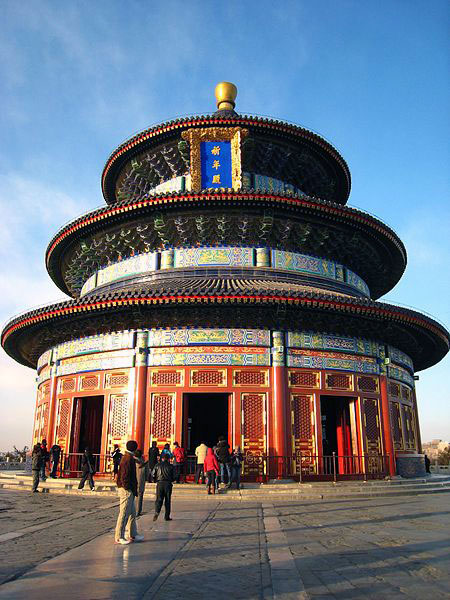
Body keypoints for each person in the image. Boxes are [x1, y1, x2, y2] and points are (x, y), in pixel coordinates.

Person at [115, 440, 144, 545]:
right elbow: (124, 476)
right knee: (124, 513)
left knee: (132, 513)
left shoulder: (128, 457)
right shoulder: (128, 459)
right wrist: (127, 488)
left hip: (129, 488)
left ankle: (133, 533)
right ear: (135, 448)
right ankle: (119, 536)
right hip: (126, 489)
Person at [152, 453, 175, 521]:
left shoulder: (157, 465)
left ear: (162, 459)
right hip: (168, 483)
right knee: (167, 500)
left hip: (160, 483)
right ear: (168, 459)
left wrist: (155, 480)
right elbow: (174, 476)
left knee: (159, 499)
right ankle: (166, 516)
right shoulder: (171, 466)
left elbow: (153, 474)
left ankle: (157, 511)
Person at [134, 449, 149, 516]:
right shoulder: (144, 462)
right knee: (140, 496)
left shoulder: (132, 461)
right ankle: (138, 511)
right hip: (141, 481)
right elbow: (147, 473)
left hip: (133, 480)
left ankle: (132, 511)